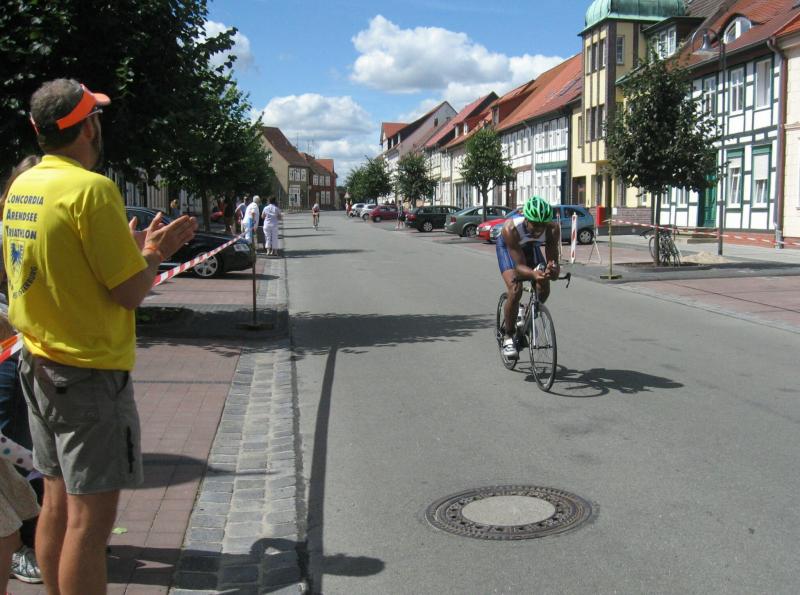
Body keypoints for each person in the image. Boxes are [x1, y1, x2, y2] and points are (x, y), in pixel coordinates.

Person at [6, 78, 196, 595]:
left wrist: (129, 248)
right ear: (87, 127)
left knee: (55, 503)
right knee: (89, 527)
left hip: (37, 363)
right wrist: (154, 253)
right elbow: (129, 292)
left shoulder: (24, 185)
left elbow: (61, 263)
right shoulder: (91, 190)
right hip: (87, 373)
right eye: (96, 117)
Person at [0, 156, 44, 586]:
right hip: (9, 353)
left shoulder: (36, 229)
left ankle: (37, 535)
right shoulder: (7, 229)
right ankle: (24, 544)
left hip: (28, 351)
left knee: (30, 449)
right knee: (14, 446)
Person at [496, 196, 560, 360]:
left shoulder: (552, 229)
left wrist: (552, 270)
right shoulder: (511, 228)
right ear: (526, 220)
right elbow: (519, 266)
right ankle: (508, 336)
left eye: (542, 225)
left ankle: (525, 315)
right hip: (509, 248)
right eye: (535, 225)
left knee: (544, 286)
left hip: (531, 247)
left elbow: (552, 260)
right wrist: (532, 274)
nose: (539, 229)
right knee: (515, 289)